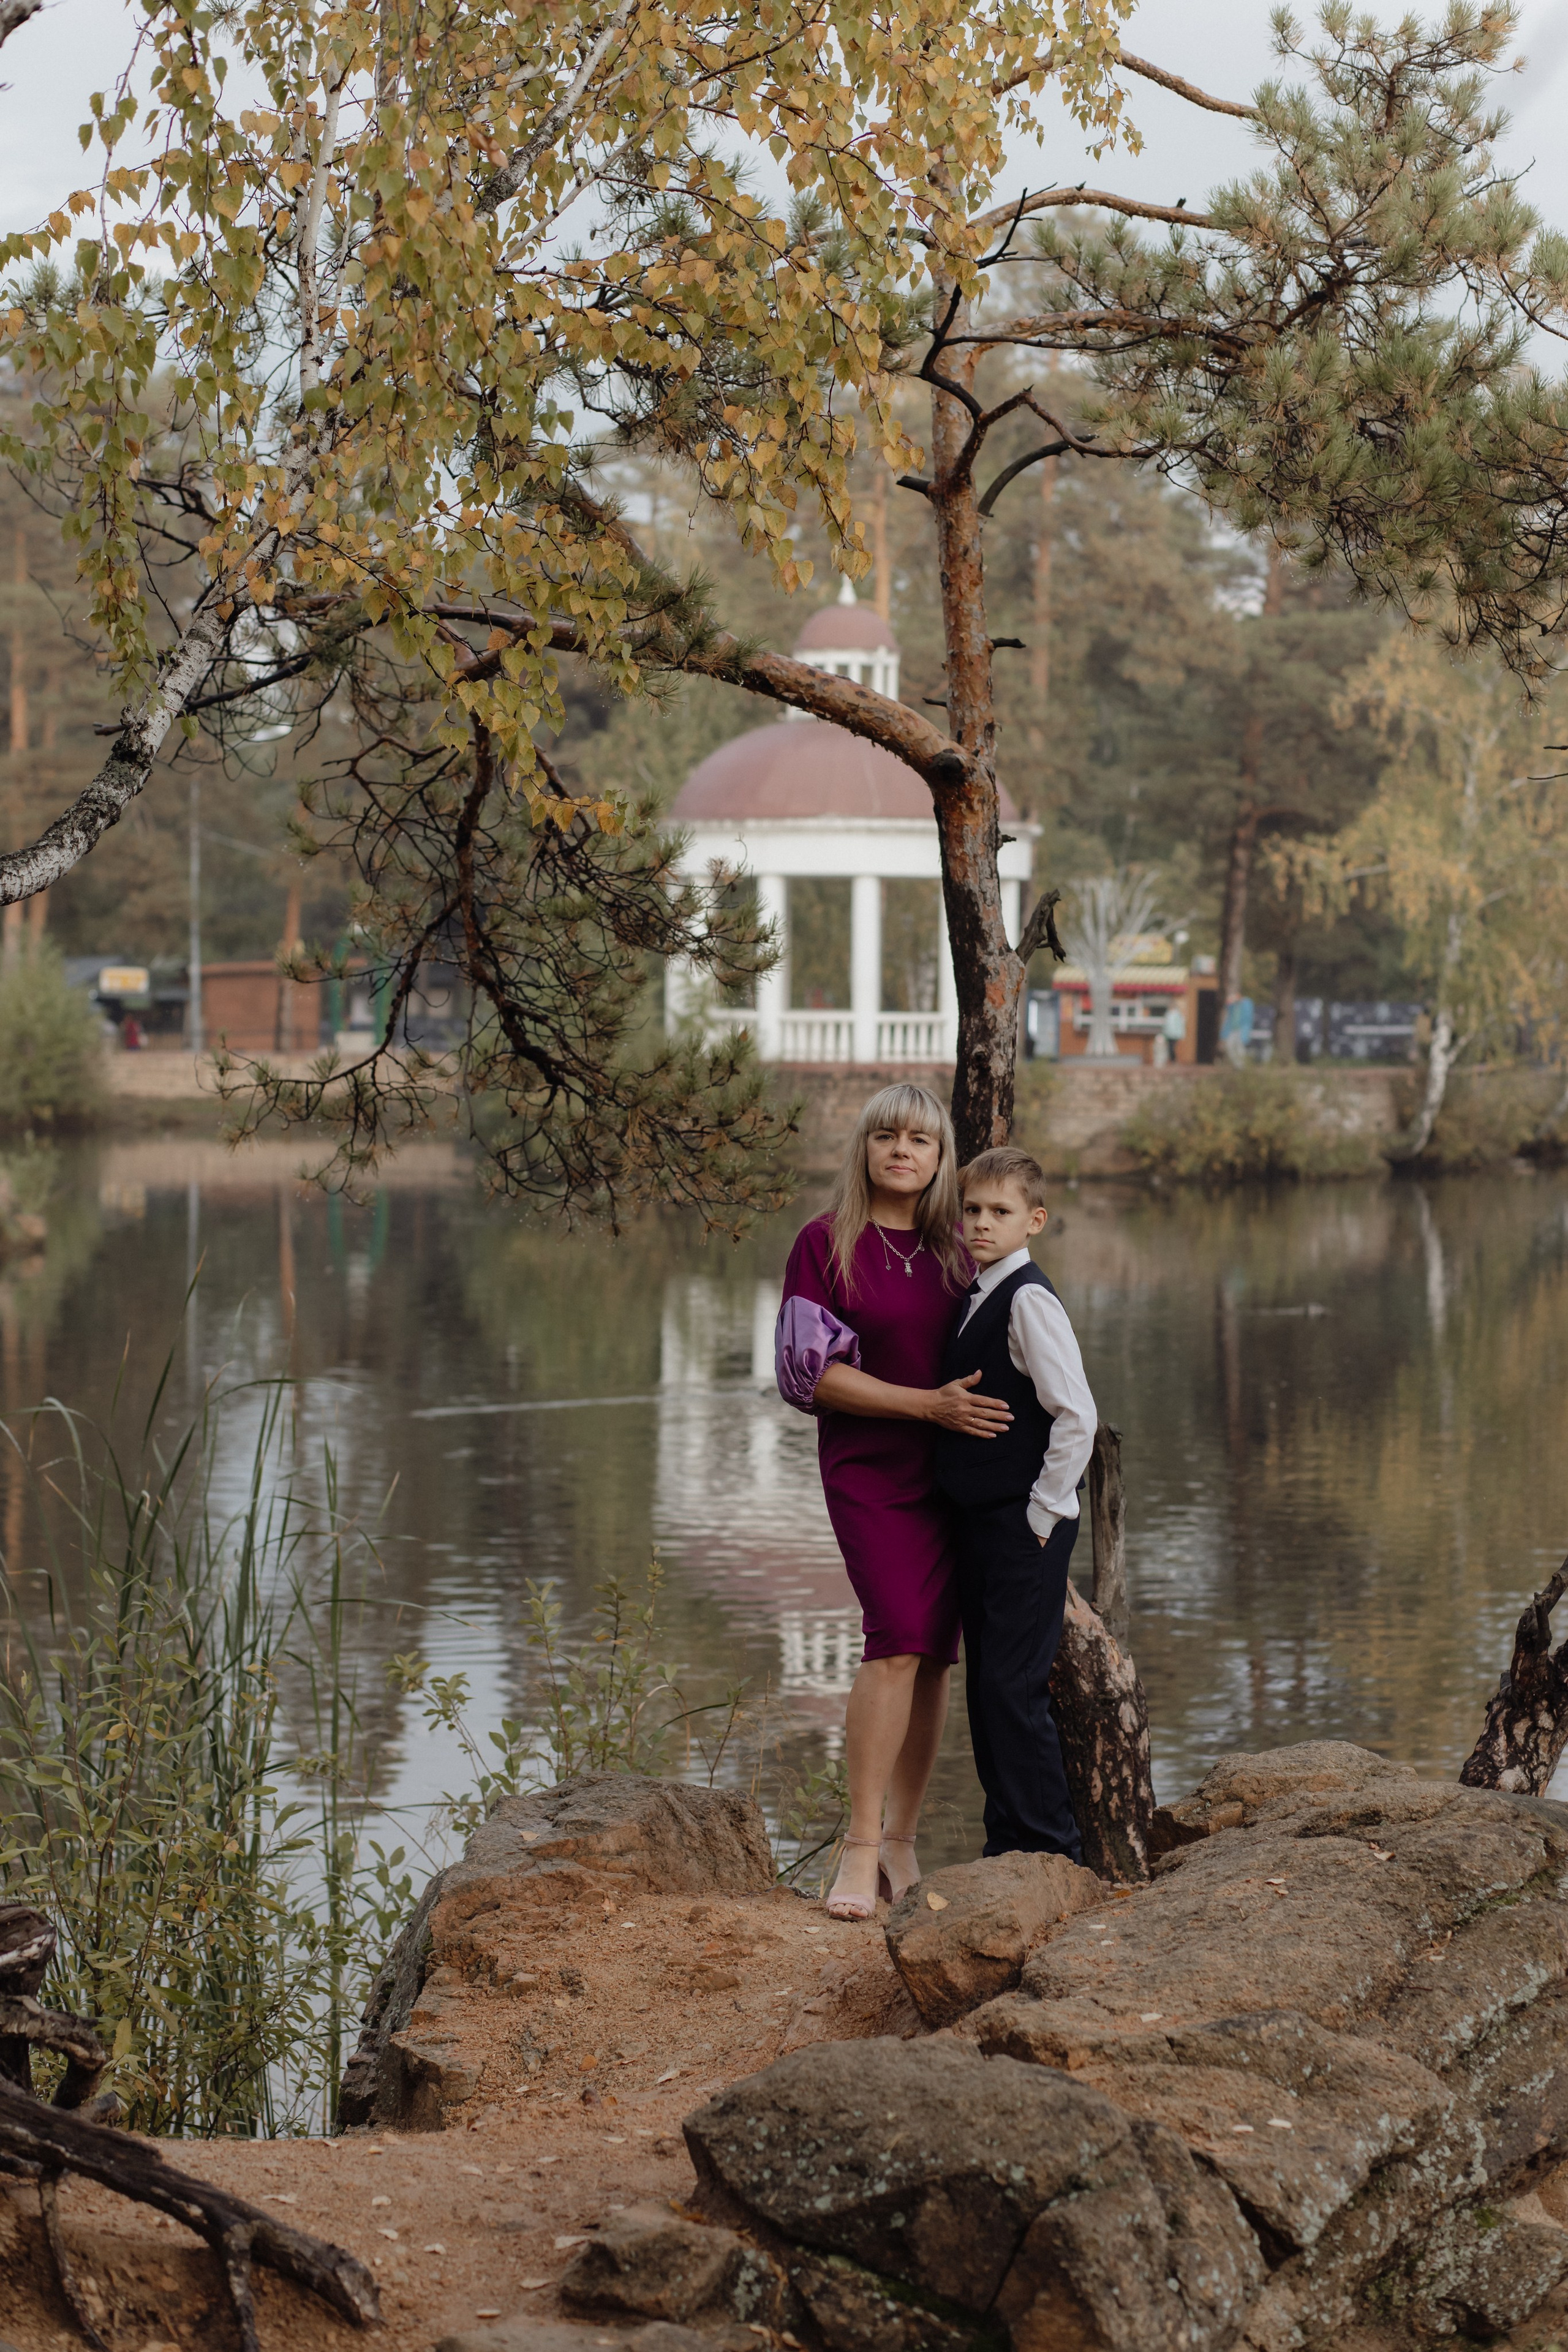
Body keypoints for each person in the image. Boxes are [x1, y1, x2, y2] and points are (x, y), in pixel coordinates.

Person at [774, 1082, 1009, 1921]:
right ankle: (860, 1845)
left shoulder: (959, 1250)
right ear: (865, 1148)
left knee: (936, 1652)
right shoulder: (825, 1242)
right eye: (886, 1136)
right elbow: (809, 1377)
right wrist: (924, 1407)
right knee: (896, 1636)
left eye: (920, 1140)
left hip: (956, 1474)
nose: (902, 1151)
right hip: (871, 1469)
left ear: (941, 1157)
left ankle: (904, 1842)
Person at [933, 1147, 1097, 1861]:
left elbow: (1077, 1415)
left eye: (999, 1212)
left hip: (1024, 1523)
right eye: (971, 1209)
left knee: (1014, 1687)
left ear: (1034, 1220)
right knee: (988, 1689)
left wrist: (1043, 1512)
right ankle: (1006, 1843)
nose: (980, 1223)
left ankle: (1051, 1849)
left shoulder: (1027, 1299)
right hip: (985, 1521)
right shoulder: (977, 1293)